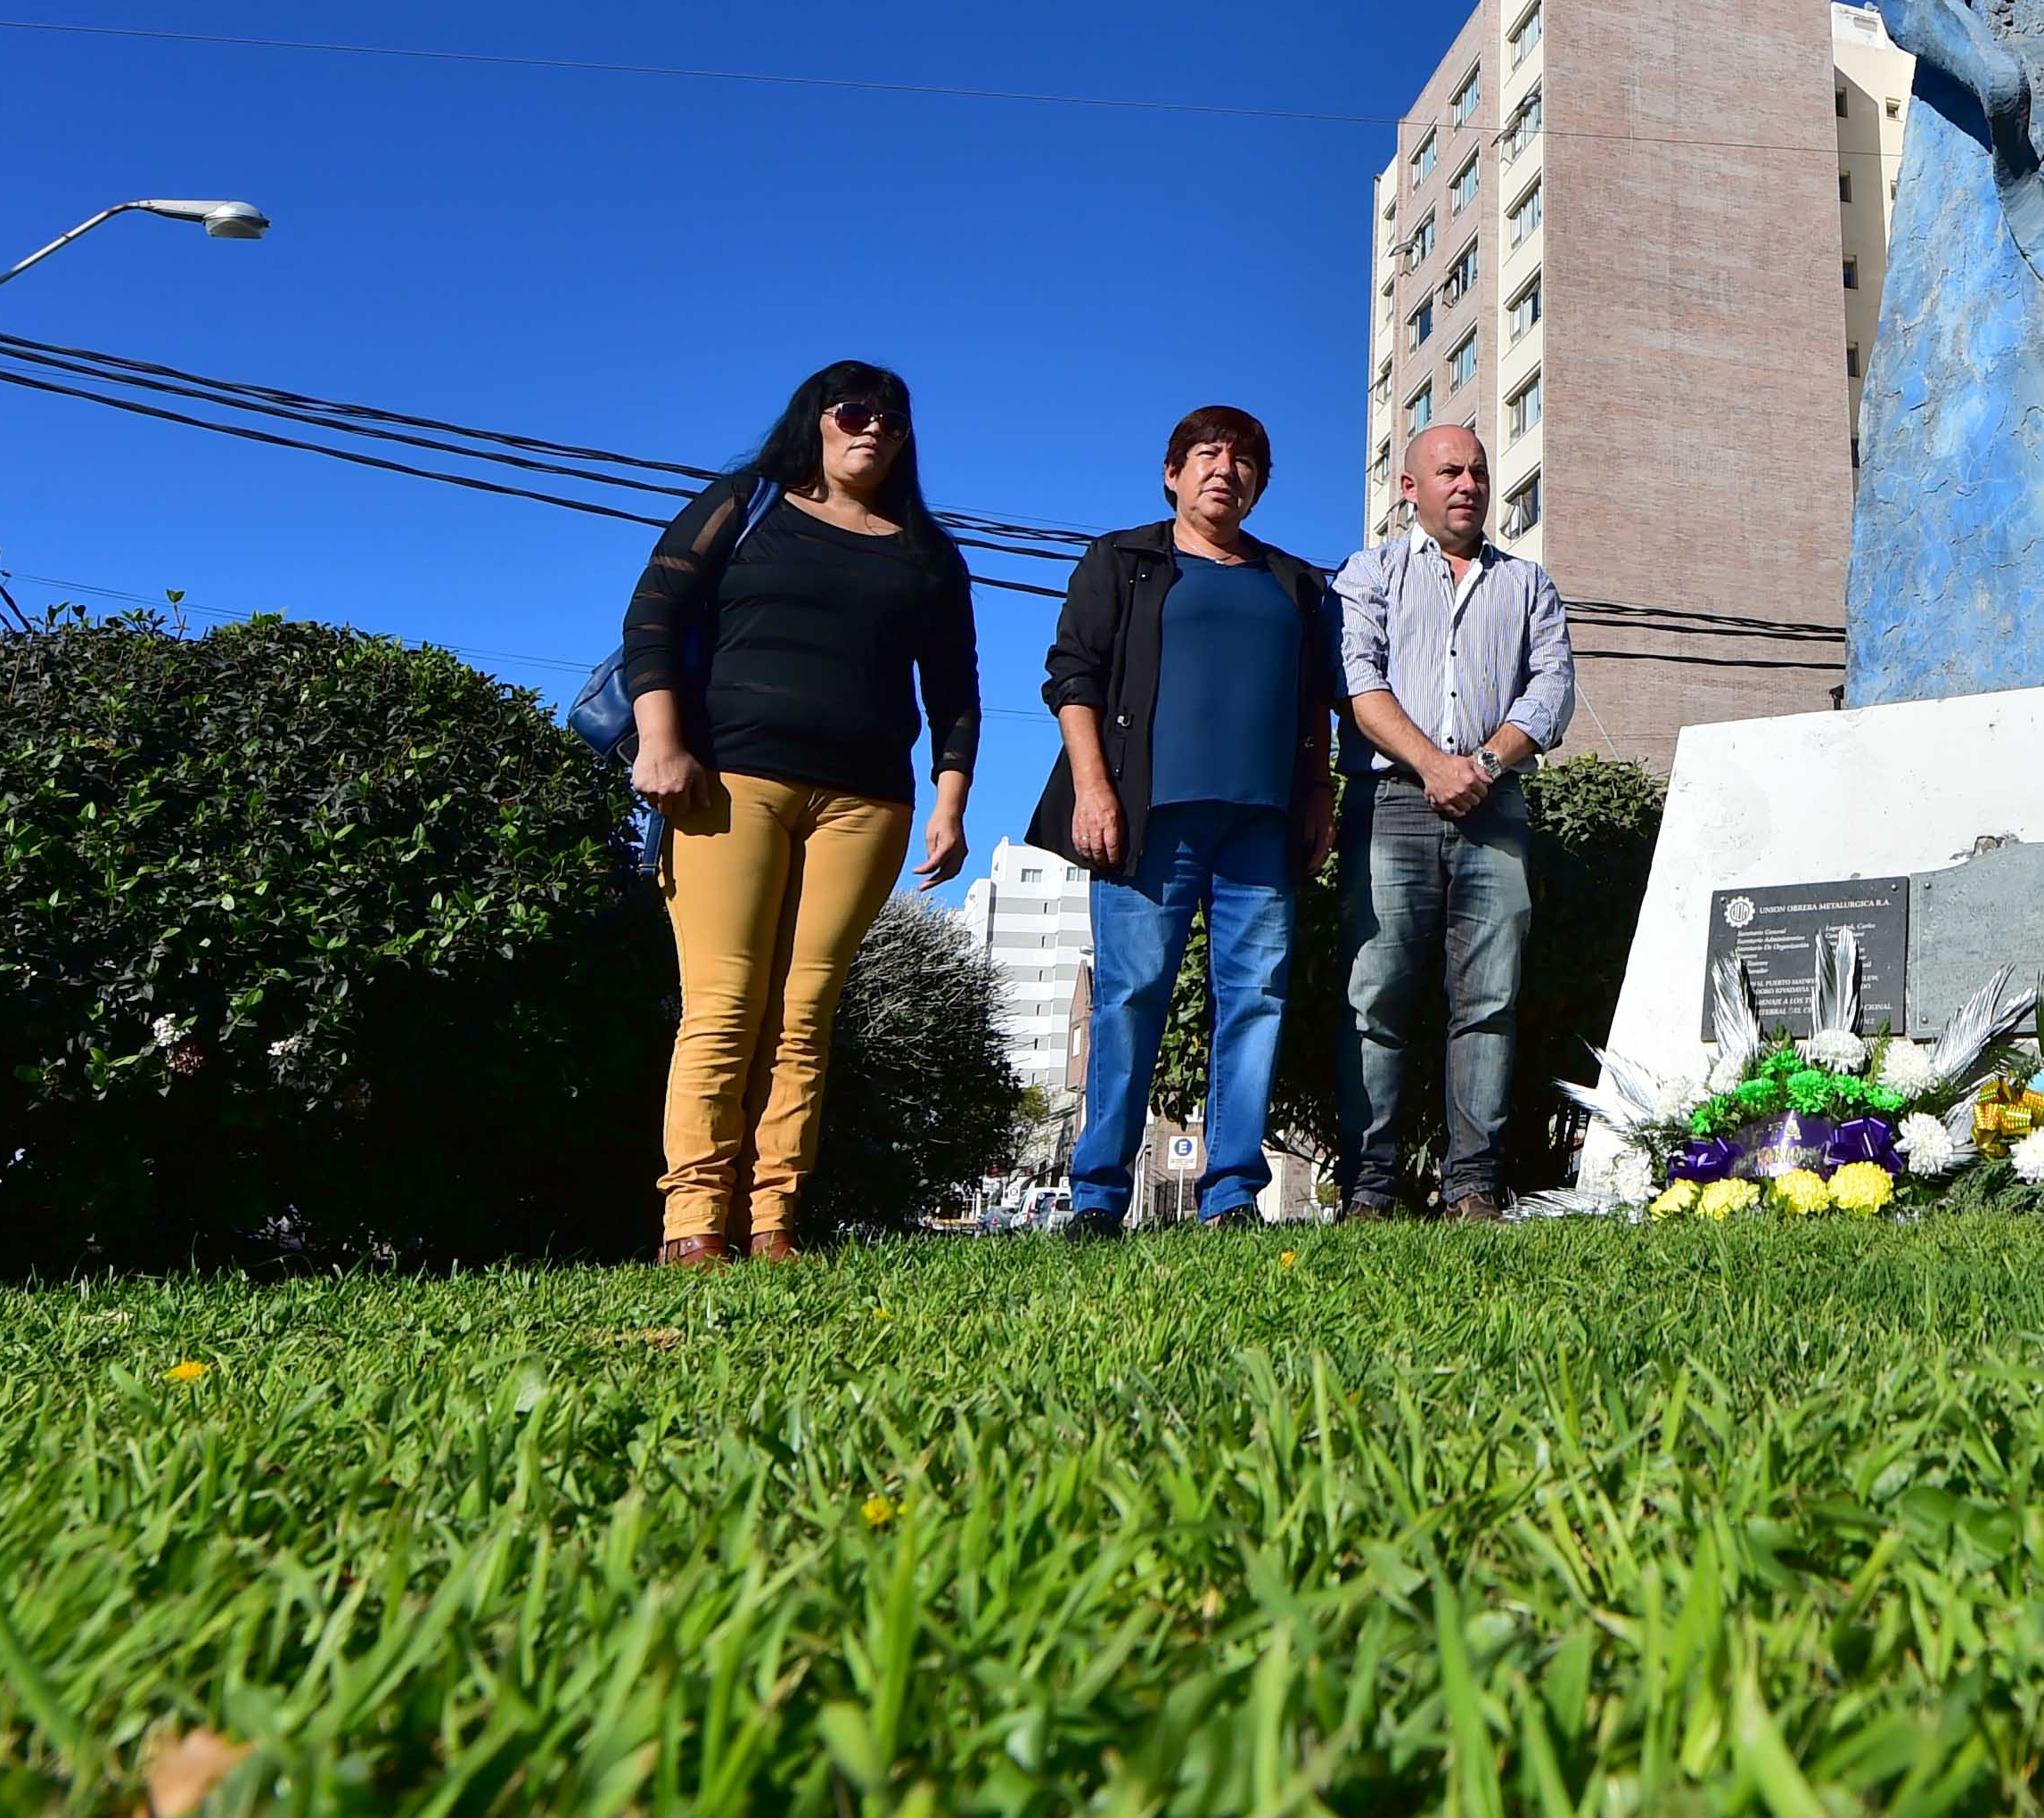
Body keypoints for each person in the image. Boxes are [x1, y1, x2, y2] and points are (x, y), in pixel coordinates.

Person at [625, 362, 977, 1267]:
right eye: (853, 412)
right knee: (723, 1001)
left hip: (867, 801)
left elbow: (954, 692)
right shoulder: (746, 504)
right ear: (814, 421)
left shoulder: (926, 553)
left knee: (805, 1008)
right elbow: (654, 615)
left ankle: (774, 1219)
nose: (873, 429)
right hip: (726, 783)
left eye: (892, 420)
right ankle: (693, 1223)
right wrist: (659, 738)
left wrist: (949, 802)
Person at [1028, 405, 1339, 1235]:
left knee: (1256, 997)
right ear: (1173, 473)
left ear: (1260, 484)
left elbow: (1317, 706)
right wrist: (1094, 789)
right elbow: (1072, 679)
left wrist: (1318, 794)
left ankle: (1231, 1191)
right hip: (1147, 818)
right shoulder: (1122, 559)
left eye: (1243, 460)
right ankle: (1097, 1197)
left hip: (1261, 826)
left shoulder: (1294, 583)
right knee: (1129, 997)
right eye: (1206, 454)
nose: (1224, 469)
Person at [1328, 423, 1578, 1222]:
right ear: (1410, 488)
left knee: (1489, 999)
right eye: (1447, 471)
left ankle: (1472, 1185)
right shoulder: (1370, 574)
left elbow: (1551, 689)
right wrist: (1435, 765)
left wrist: (1486, 765)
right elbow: (1357, 683)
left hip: (1495, 805)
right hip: (1391, 802)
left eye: (1476, 470)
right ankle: (1369, 1189)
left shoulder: (1529, 584)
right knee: (1376, 998)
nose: (1466, 483)